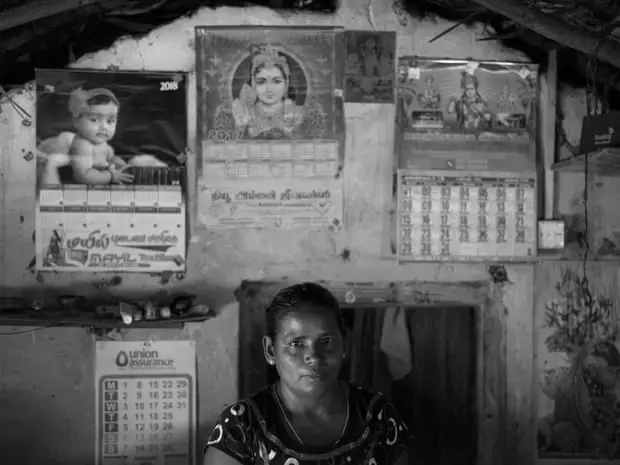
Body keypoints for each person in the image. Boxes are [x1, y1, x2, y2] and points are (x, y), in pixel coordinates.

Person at [203, 282, 411, 465]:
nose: (313, 356)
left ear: (344, 344)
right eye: (296, 344)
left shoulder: (378, 417)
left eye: (326, 341)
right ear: (270, 350)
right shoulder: (241, 427)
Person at [231, 46, 305, 139]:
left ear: (286, 84)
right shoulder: (245, 114)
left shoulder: (297, 113)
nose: (269, 88)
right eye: (261, 81)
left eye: (277, 81)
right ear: (253, 85)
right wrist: (241, 127)